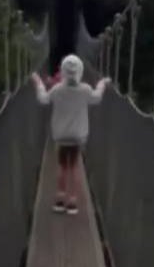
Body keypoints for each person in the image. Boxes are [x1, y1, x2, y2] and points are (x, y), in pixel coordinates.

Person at [32, 54, 111, 215]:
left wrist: (38, 82)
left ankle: (60, 200)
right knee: (73, 167)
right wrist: (102, 84)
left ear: (63, 71)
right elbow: (96, 99)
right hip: (77, 135)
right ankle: (72, 202)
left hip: (61, 134)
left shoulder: (57, 89)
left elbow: (43, 99)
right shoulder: (85, 89)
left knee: (62, 166)